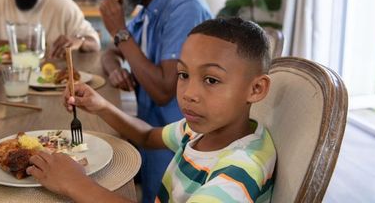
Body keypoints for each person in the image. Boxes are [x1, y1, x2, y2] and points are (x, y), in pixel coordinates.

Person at [27, 17, 277, 202]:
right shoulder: (200, 130)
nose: (189, 93)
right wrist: (100, 105)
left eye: (211, 80)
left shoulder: (240, 169)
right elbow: (147, 136)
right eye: (183, 74)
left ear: (256, 89)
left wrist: (75, 183)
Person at [98, 0, 212, 201]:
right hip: (150, 133)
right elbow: (111, 53)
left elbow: (163, 90)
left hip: (181, 142)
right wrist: (115, 68)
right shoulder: (146, 12)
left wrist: (119, 32)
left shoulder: (184, 6)